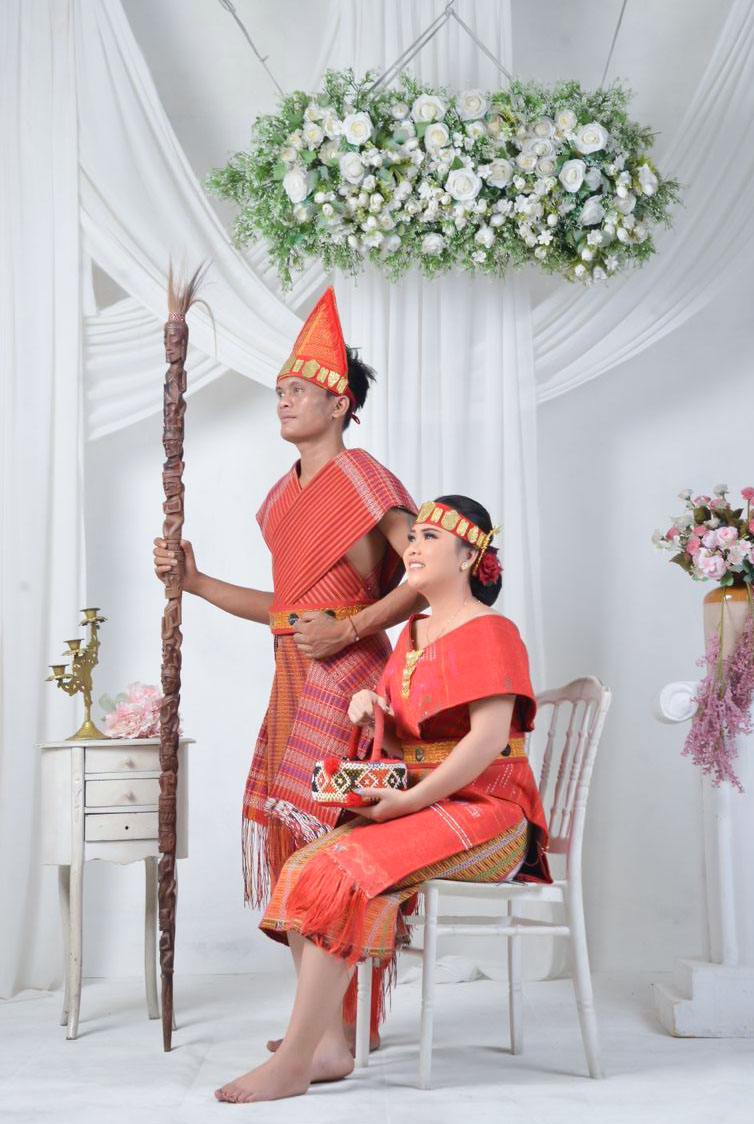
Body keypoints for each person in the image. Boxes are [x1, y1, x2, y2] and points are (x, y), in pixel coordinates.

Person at [214, 494, 551, 1104]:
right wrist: (375, 712)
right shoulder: (413, 632)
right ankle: (328, 1045)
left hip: (493, 815)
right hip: (429, 802)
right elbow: (409, 739)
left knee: (342, 872)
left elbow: (487, 740)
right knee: (304, 867)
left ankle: (294, 1062)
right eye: (412, 536)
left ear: (469, 556)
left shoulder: (492, 630)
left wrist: (409, 802)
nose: (413, 547)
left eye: (429, 538)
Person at [154, 287, 419, 1043]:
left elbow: (429, 573)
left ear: (339, 403)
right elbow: (289, 608)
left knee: (340, 841)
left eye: (299, 389)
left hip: (353, 686)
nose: (284, 399)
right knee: (294, 845)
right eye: (280, 389)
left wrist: (353, 626)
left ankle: (345, 1027)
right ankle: (323, 1024)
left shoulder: (367, 480)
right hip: (291, 683)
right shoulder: (279, 498)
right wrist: (197, 583)